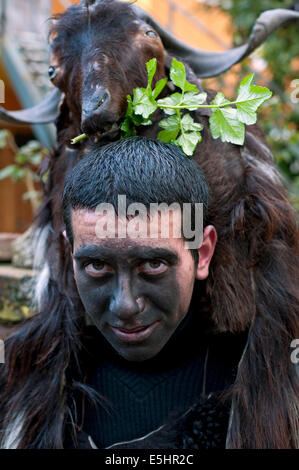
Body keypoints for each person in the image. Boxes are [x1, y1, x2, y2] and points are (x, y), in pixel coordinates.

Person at [0, 137, 296, 449]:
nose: (125, 306)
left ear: (203, 252)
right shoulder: (21, 385)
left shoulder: (274, 386)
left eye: (153, 264)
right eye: (97, 266)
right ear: (68, 251)